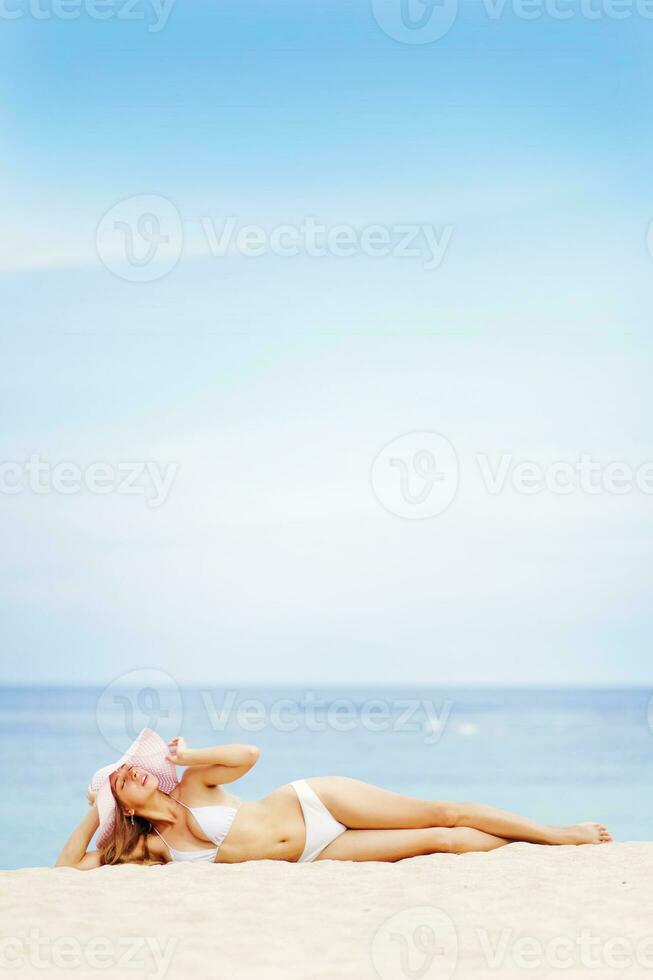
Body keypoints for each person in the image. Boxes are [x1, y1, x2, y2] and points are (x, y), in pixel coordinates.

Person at [55, 728, 612, 869]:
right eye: (121, 778)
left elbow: (249, 754)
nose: (133, 771)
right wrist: (93, 810)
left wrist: (188, 754)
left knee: (445, 812)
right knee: (441, 842)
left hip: (313, 804)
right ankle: (538, 843)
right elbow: (67, 871)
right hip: (313, 856)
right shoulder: (151, 850)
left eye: (133, 766)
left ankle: (558, 834)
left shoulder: (195, 782)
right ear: (121, 804)